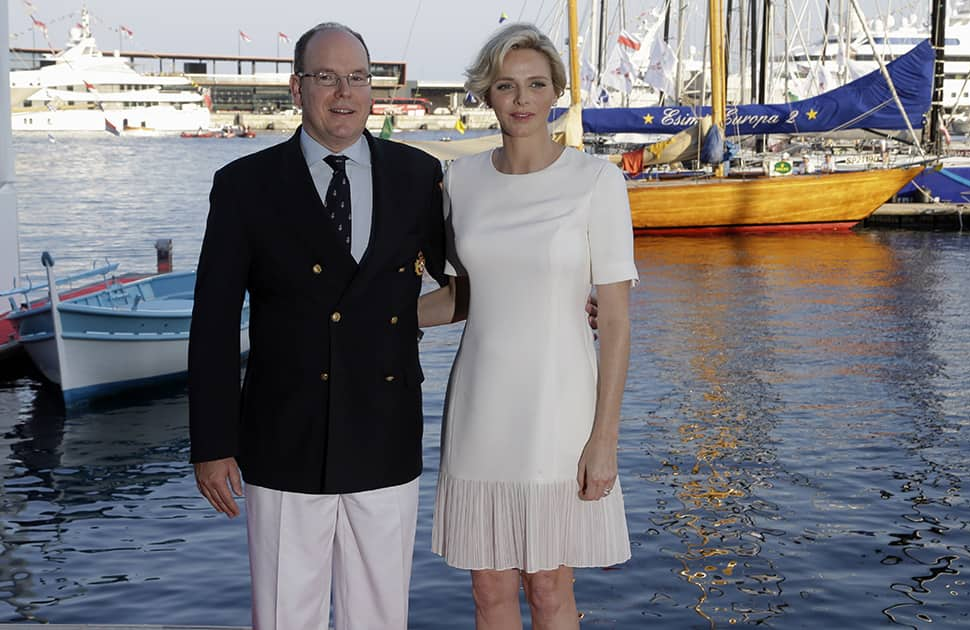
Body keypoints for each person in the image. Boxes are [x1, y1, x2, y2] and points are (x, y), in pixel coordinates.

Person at [187, 22, 448, 630]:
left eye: (356, 78)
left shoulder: (418, 176)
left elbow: (468, 278)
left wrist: (568, 301)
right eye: (325, 77)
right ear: (296, 86)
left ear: (372, 89)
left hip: (384, 433)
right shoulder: (244, 186)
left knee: (380, 617)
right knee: (284, 617)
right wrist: (212, 443)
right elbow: (215, 323)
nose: (343, 93)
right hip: (284, 440)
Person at [418, 23, 636, 630]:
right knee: (487, 591)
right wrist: (378, 319)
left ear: (555, 93)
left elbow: (615, 320)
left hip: (558, 409)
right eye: (507, 86)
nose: (521, 99)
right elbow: (465, 296)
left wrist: (604, 439)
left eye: (536, 85)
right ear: (487, 93)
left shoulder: (597, 181)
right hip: (481, 405)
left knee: (547, 587)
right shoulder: (460, 182)